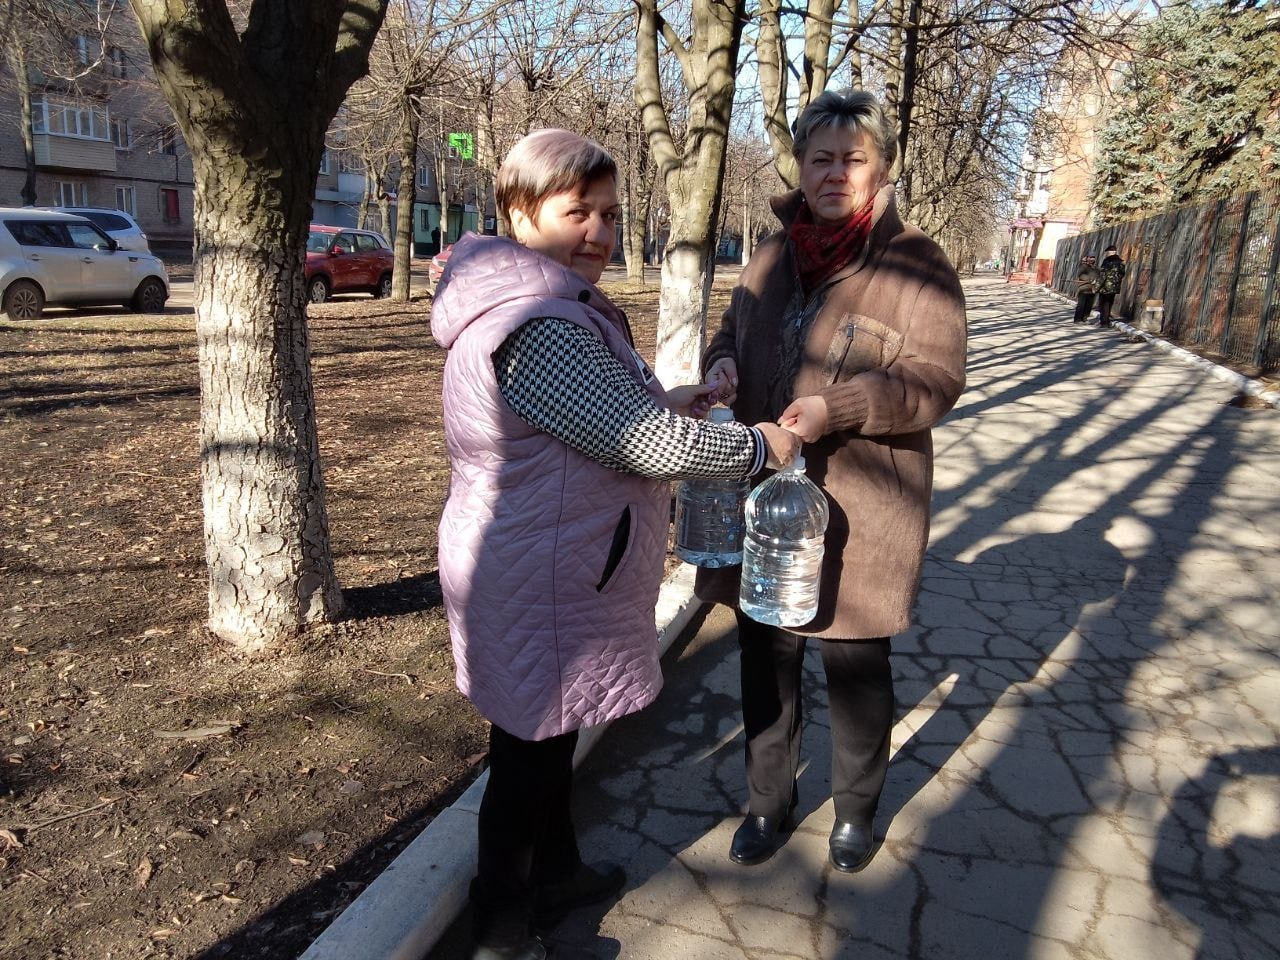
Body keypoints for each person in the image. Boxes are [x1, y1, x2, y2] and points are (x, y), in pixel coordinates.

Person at [430, 128, 799, 960]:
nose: (598, 231)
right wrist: (756, 448)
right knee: (527, 759)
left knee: (548, 737)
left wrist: (674, 397)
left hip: (541, 559)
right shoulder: (537, 324)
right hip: (541, 569)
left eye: (609, 213)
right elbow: (642, 445)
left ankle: (557, 874)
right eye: (577, 212)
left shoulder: (544, 305)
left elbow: (591, 422)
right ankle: (500, 933)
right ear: (520, 213)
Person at [698, 89, 968, 875]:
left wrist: (836, 407)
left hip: (865, 509)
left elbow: (934, 379)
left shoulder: (917, 262)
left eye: (853, 159)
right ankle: (767, 803)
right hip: (764, 503)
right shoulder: (771, 254)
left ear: (880, 167)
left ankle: (855, 811)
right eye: (821, 158)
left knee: (854, 671)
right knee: (765, 659)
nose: (835, 174)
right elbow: (730, 327)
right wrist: (722, 363)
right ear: (801, 165)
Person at [1097, 244, 1126, 326]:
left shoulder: (1107, 261)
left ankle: (1104, 322)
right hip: (1115, 287)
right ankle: (1107, 320)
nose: (1106, 254)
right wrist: (1116, 281)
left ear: (1110, 252)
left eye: (1107, 252)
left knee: (1103, 304)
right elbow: (1122, 274)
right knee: (1109, 303)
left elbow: (1102, 275)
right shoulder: (1121, 262)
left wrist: (1097, 286)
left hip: (1105, 286)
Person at [1074, 254, 1099, 323]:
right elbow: (1080, 275)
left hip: (1092, 289)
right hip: (1084, 288)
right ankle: (1077, 319)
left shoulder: (1095, 268)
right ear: (1087, 258)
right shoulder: (1084, 266)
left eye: (1093, 257)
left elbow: (1098, 276)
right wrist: (1090, 279)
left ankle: (1084, 318)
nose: (1092, 259)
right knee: (1081, 305)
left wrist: (1097, 280)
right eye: (1090, 257)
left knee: (1089, 306)